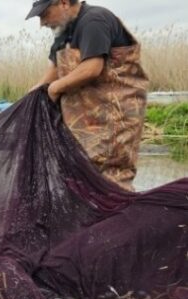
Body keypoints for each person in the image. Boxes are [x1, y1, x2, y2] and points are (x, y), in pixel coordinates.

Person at [27, 0, 149, 191]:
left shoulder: (94, 21)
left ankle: (118, 217)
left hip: (114, 117)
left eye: (44, 15)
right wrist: (31, 97)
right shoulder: (63, 32)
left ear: (64, 3)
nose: (42, 23)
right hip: (83, 122)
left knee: (112, 179)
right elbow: (54, 70)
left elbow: (92, 68)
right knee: (81, 179)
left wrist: (54, 88)